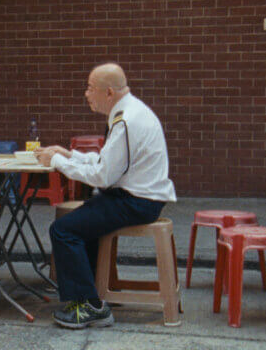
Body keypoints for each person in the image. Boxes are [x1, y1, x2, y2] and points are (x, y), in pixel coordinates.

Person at [34, 62, 176, 329]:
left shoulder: (126, 121)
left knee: (63, 230)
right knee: (81, 223)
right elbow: (108, 163)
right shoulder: (131, 112)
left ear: (108, 92)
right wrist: (68, 154)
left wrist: (57, 163)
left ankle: (88, 307)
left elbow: (103, 176)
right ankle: (90, 297)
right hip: (142, 196)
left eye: (90, 88)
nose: (86, 94)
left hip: (137, 201)